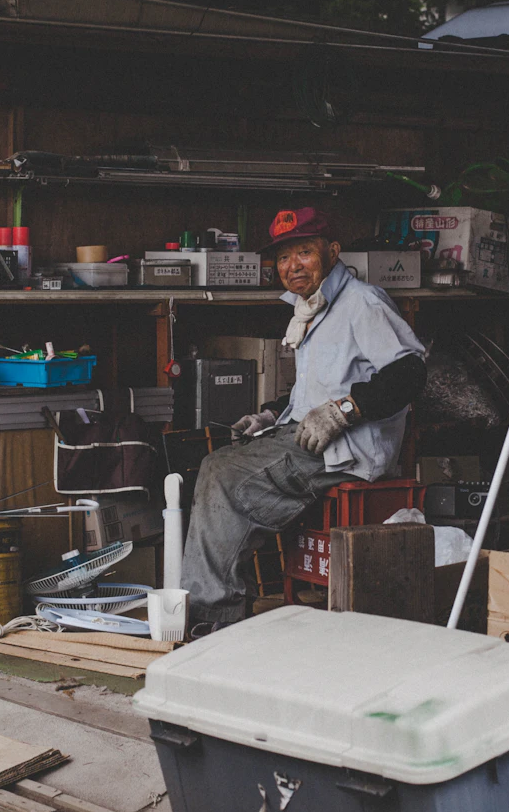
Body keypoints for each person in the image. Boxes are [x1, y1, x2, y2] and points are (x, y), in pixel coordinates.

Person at [179, 207, 427, 635]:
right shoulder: (310, 309)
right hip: (312, 437)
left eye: (304, 253)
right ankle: (219, 604)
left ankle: (212, 618)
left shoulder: (362, 303)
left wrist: (344, 410)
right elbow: (314, 389)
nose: (292, 266)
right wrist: (270, 415)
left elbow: (410, 373)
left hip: (347, 449)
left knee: (219, 473)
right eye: (283, 258)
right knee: (220, 460)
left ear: (332, 252)